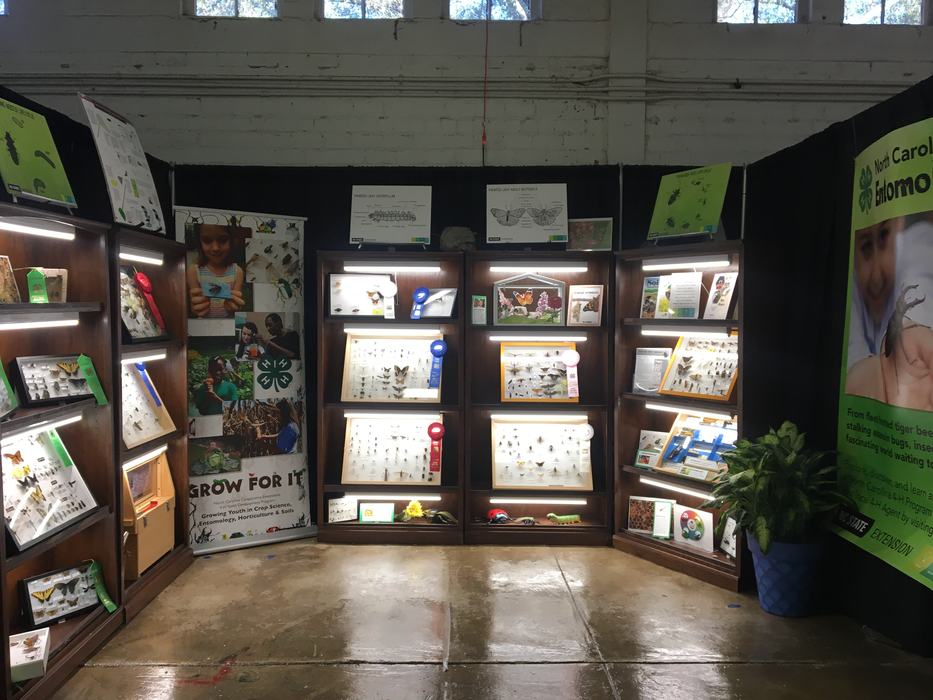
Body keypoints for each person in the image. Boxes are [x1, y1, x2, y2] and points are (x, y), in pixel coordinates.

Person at [186, 224, 246, 318]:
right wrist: (195, 308)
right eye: (207, 240)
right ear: (199, 242)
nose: (215, 248)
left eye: (222, 240)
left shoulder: (238, 272)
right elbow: (194, 308)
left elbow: (236, 306)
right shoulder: (193, 271)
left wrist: (234, 306)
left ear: (231, 240)